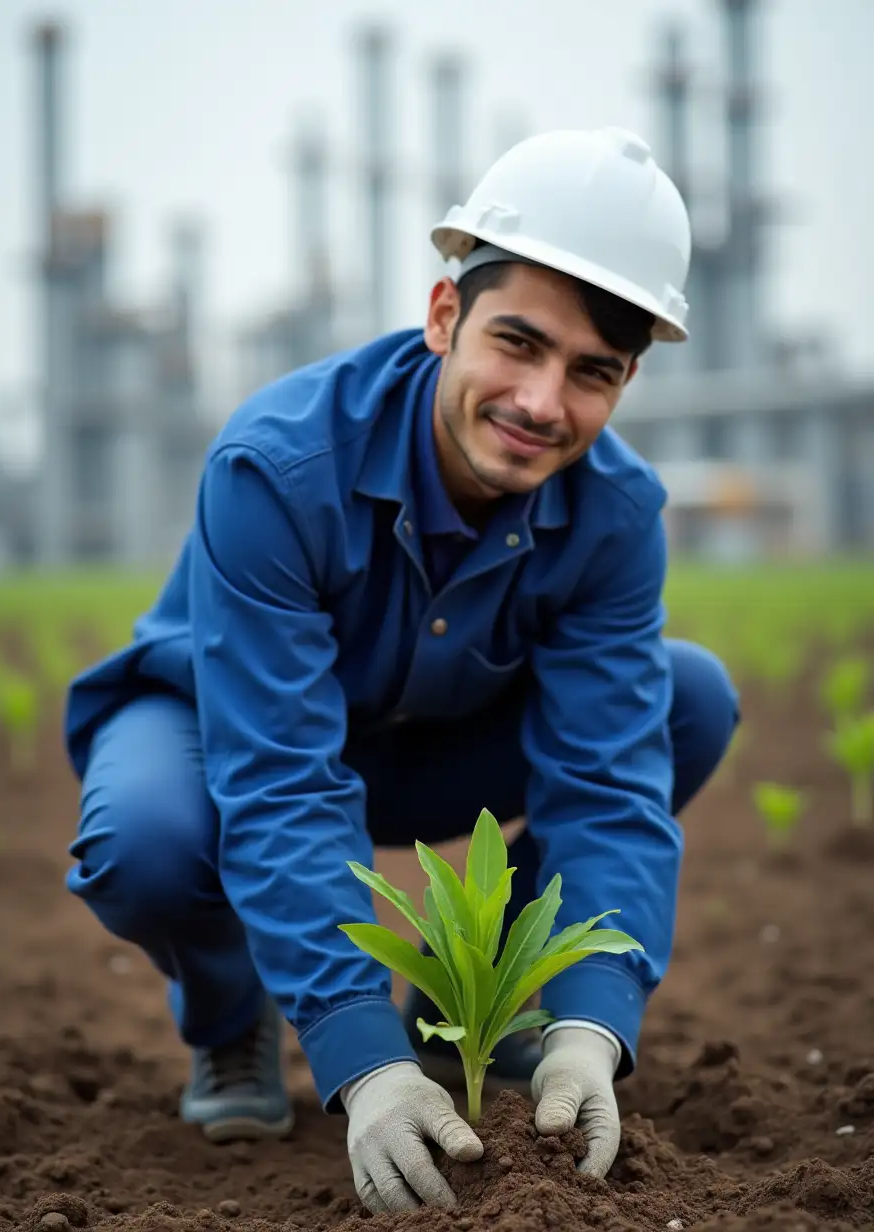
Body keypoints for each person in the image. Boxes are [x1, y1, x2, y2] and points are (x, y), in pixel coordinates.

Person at [63, 126, 739, 1215]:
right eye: (515, 343)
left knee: (688, 700)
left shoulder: (616, 515)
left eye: (591, 372)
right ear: (442, 317)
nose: (540, 401)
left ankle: (473, 1002)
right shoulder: (278, 466)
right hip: (229, 727)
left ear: (625, 381)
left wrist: (588, 1021)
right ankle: (236, 1012)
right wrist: (359, 1057)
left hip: (440, 747)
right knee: (144, 837)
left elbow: (608, 784)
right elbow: (279, 774)